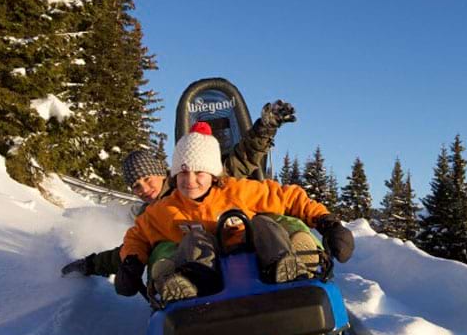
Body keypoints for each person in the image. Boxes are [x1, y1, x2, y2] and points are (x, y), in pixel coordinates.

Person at [114, 122, 355, 302]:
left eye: (199, 173)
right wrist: (132, 262)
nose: (190, 181)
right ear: (175, 175)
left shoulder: (237, 191)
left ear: (213, 173)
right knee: (190, 241)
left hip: (258, 260)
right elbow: (139, 234)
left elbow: (288, 197)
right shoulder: (165, 209)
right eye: (183, 173)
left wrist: (328, 223)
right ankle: (182, 285)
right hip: (208, 274)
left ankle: (292, 261)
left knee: (264, 223)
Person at [61, 100, 297, 277]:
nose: (143, 188)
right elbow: (132, 248)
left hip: (237, 259)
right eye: (136, 185)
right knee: (161, 250)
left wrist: (265, 128)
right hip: (194, 275)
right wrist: (91, 264)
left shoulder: (199, 181)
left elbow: (243, 158)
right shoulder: (151, 215)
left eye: (147, 178)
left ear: (162, 172)